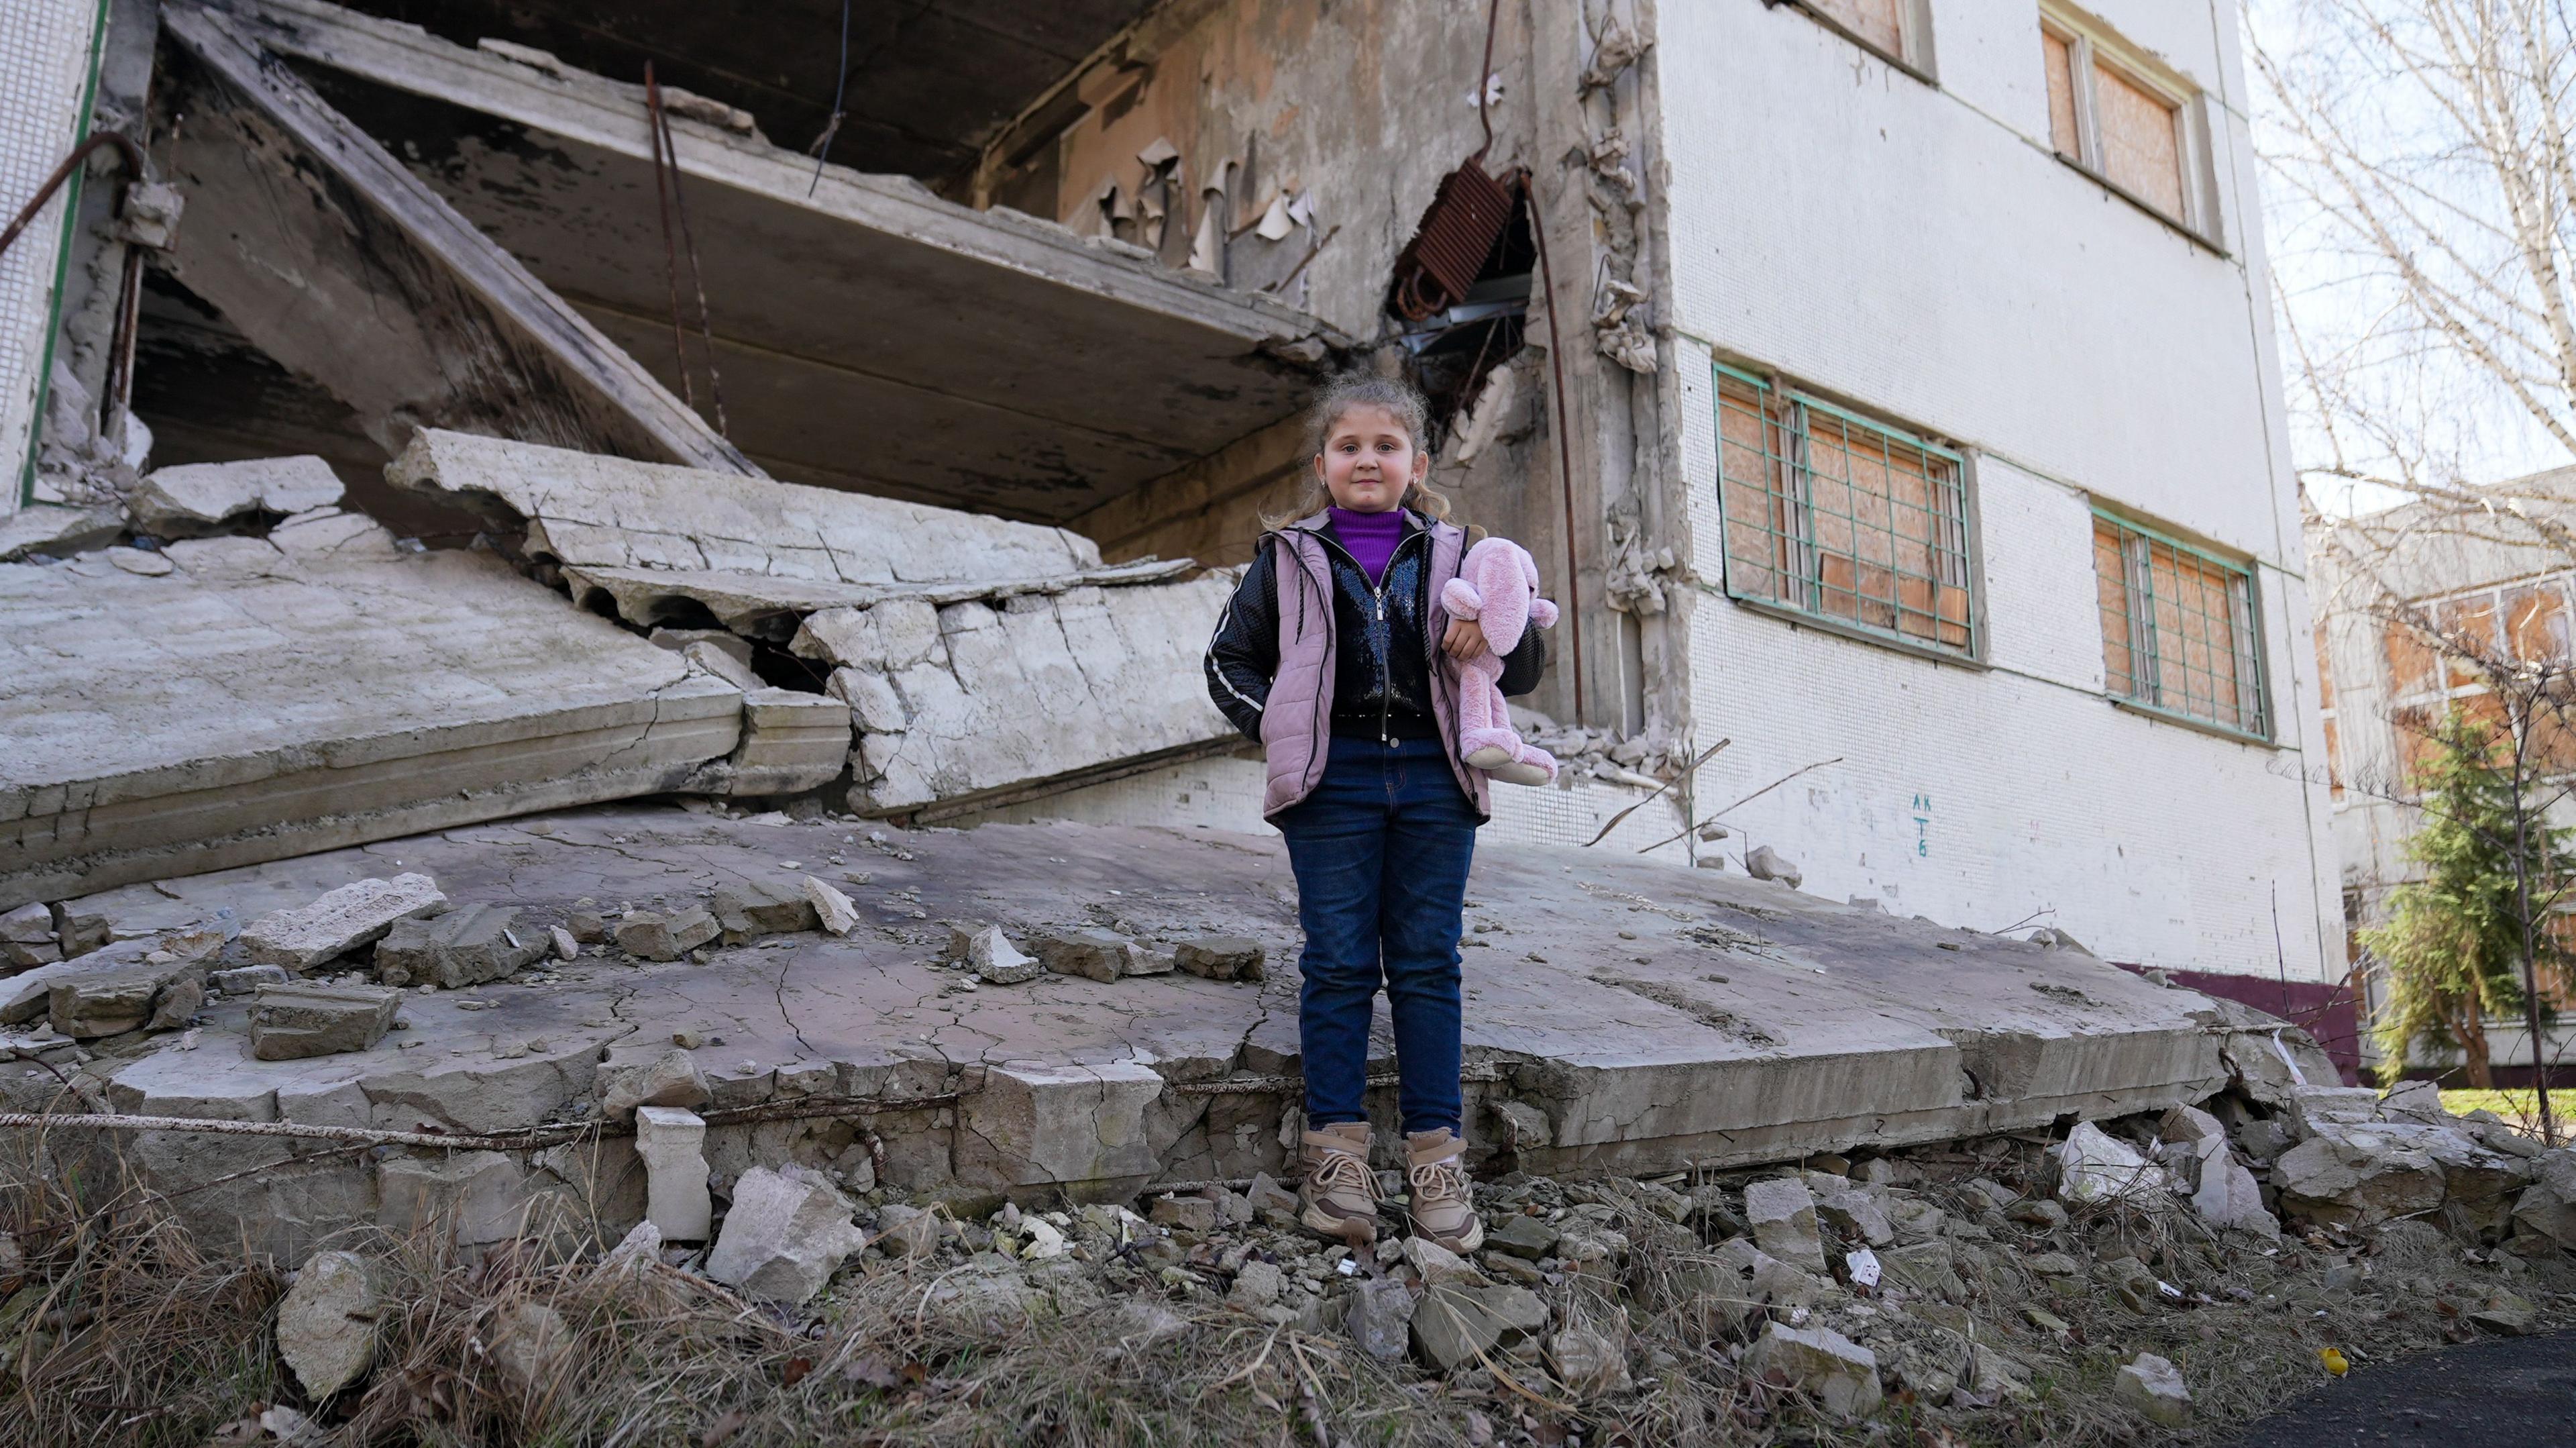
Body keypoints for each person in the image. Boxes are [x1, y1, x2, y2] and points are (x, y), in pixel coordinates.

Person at [1203, 372, 1546, 1251]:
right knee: (1341, 962)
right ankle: (1338, 1161)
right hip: (1335, 783)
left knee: (1429, 961)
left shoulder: (1459, 552)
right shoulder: (1287, 558)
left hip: (1436, 779)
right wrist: (1281, 731)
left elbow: (1528, 657)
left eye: (1385, 446)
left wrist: (1496, 639)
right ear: (1324, 463)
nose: (1367, 459)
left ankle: (1437, 1162)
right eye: (1350, 446)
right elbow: (1227, 663)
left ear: (1416, 462)